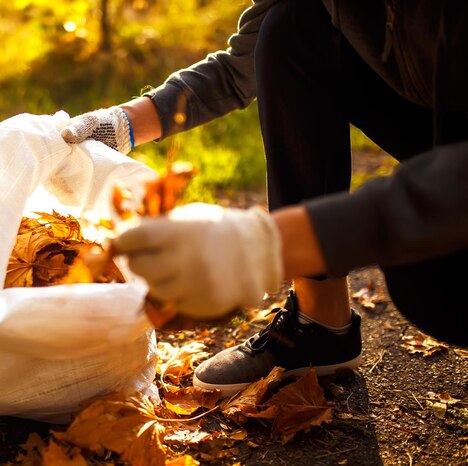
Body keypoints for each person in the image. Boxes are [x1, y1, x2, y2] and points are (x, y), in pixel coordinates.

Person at [60, 0, 468, 395]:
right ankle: (319, 327)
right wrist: (124, 124)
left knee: (436, 283)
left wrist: (266, 243)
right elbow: (247, 58)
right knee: (291, 25)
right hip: (432, 108)